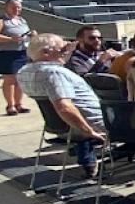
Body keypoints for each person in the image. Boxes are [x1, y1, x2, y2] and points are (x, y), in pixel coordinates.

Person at [18, 33, 108, 179]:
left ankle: (88, 161)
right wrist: (89, 131)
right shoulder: (54, 73)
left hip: (61, 126)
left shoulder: (24, 72)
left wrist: (66, 50)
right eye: (62, 50)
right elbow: (64, 107)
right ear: (46, 53)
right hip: (93, 124)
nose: (65, 52)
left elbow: (52, 63)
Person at [0, 0, 31, 115]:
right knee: (10, 80)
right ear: (6, 7)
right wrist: (11, 39)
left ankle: (19, 104)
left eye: (18, 7)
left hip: (21, 52)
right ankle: (10, 105)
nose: (16, 9)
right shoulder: (1, 20)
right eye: (13, 7)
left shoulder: (22, 20)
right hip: (6, 53)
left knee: (20, 79)